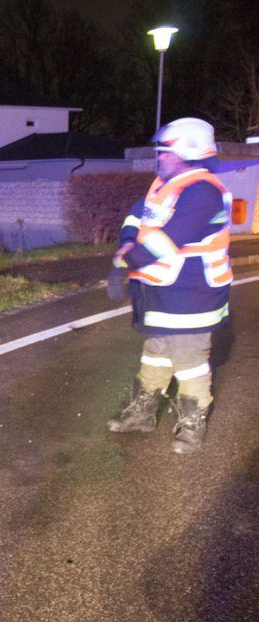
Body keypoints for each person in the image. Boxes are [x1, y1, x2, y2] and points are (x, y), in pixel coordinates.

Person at [106, 117, 233, 454]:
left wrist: (125, 262)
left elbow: (168, 240)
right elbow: (135, 219)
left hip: (193, 293)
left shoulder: (204, 191)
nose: (159, 156)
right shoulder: (162, 184)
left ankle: (193, 423)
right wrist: (127, 242)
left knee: (188, 357)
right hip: (162, 289)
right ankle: (144, 413)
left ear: (190, 151)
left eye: (165, 151)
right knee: (157, 351)